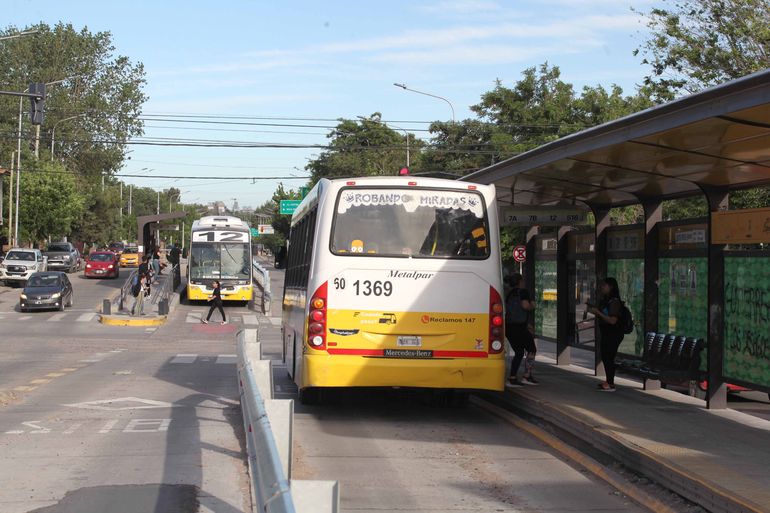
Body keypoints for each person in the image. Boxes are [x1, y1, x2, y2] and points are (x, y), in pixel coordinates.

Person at [587, 277, 624, 392]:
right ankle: (608, 382)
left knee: (609, 357)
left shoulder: (614, 301)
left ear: (611, 287)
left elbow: (613, 320)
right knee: (605, 356)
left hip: (614, 333)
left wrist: (598, 312)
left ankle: (611, 384)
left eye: (605, 285)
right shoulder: (606, 300)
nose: (602, 287)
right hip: (607, 333)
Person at [504, 273, 538, 386]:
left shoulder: (508, 293)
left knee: (519, 352)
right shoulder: (523, 292)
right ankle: (527, 376)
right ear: (520, 282)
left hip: (509, 327)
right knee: (532, 349)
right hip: (519, 328)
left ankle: (512, 378)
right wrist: (533, 304)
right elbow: (525, 306)